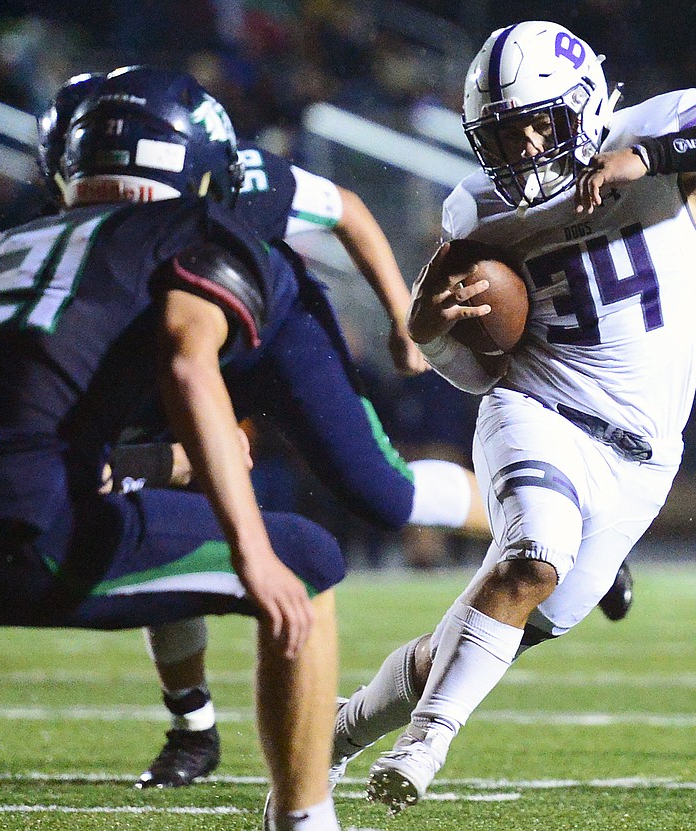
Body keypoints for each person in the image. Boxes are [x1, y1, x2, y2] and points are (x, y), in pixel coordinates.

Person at [0, 66, 344, 831]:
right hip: (17, 520)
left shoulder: (12, 248)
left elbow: (18, 410)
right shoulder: (189, 236)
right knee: (305, 559)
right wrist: (253, 551)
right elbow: (189, 370)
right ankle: (306, 824)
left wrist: (146, 463)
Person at [39, 69, 564, 792]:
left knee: (385, 494)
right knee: (149, 499)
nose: (118, 209)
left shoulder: (242, 179)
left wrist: (398, 316)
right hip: (165, 347)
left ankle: (546, 532)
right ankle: (191, 725)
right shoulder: (60, 244)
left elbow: (345, 208)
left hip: (270, 326)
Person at [327, 20, 696, 812]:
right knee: (532, 556)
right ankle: (428, 743)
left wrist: (646, 159)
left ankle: (332, 734)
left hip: (644, 458)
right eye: (502, 136)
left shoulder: (656, 129)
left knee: (504, 621)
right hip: (538, 406)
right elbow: (467, 365)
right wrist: (434, 328)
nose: (520, 152)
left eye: (538, 124)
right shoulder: (478, 209)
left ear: (582, 106)